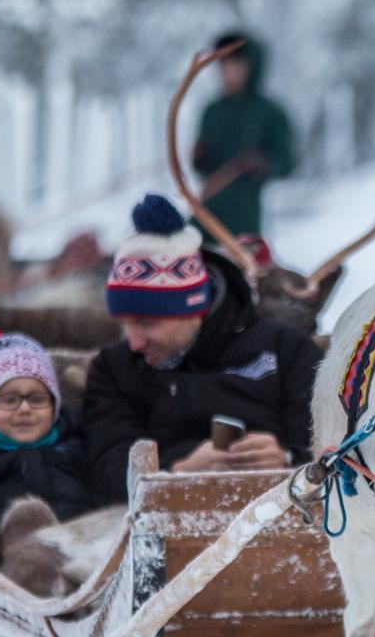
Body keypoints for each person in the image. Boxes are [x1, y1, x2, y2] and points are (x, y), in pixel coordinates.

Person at [78, 194, 322, 503]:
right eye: (125, 323)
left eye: (147, 323)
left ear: (195, 308)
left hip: (284, 522)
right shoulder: (115, 369)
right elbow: (103, 470)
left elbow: (337, 453)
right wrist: (176, 473)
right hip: (163, 526)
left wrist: (287, 460)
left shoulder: (286, 350)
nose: (134, 341)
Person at [0, 328, 97, 520]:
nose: (24, 409)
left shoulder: (85, 453)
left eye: (37, 399)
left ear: (54, 407)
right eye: (9, 399)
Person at [191, 31, 296, 244]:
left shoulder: (270, 112)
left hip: (246, 222)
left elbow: (286, 163)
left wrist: (262, 164)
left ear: (251, 66)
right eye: (223, 64)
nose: (228, 71)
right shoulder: (212, 110)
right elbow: (201, 169)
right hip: (206, 216)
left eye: (235, 64)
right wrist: (199, 157)